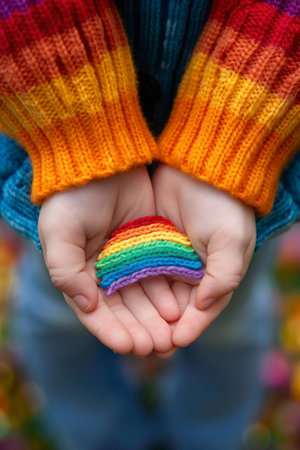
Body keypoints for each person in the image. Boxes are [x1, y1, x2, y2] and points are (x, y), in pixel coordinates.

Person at [0, 0, 299, 448]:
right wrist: (77, 128)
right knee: (58, 320)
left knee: (229, 327)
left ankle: (208, 436)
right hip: (64, 157)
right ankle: (102, 437)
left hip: (245, 163)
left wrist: (236, 135)